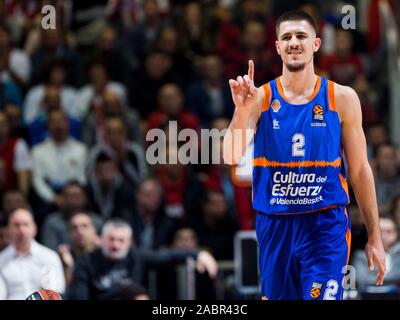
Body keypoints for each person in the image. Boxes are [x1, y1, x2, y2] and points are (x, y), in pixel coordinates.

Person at [223, 10, 386, 300]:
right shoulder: (259, 98)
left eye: (301, 36)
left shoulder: (343, 98)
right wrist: (242, 111)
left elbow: (360, 170)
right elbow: (230, 155)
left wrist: (375, 234)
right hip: (276, 224)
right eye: (286, 37)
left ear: (316, 44)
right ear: (277, 47)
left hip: (325, 224)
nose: (294, 42)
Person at [67, 218, 218, 300]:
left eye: (121, 240)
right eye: (111, 239)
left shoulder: (136, 255)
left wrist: (199, 254)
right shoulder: (86, 261)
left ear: (129, 242)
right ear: (101, 239)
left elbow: (169, 255)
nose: (115, 245)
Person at [0, 209, 65, 299]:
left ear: (34, 228)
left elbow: (53, 293)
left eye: (25, 224)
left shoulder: (49, 256)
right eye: (16, 225)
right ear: (8, 230)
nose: (21, 230)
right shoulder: (1, 260)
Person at [353, 217, 400, 294]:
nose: (384, 236)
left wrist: (374, 279)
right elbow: (361, 280)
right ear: (369, 234)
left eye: (389, 231)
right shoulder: (360, 256)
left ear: (397, 233)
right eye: (380, 232)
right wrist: (392, 281)